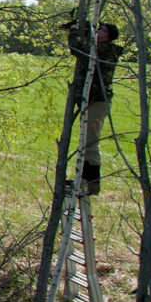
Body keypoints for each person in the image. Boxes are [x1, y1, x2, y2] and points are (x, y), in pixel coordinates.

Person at [63, 12, 122, 195]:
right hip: (92, 100)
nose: (97, 32)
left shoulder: (106, 49)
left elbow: (79, 49)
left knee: (90, 142)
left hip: (97, 101)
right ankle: (84, 180)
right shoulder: (99, 47)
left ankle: (92, 183)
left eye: (101, 30)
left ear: (108, 36)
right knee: (86, 141)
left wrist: (74, 31)